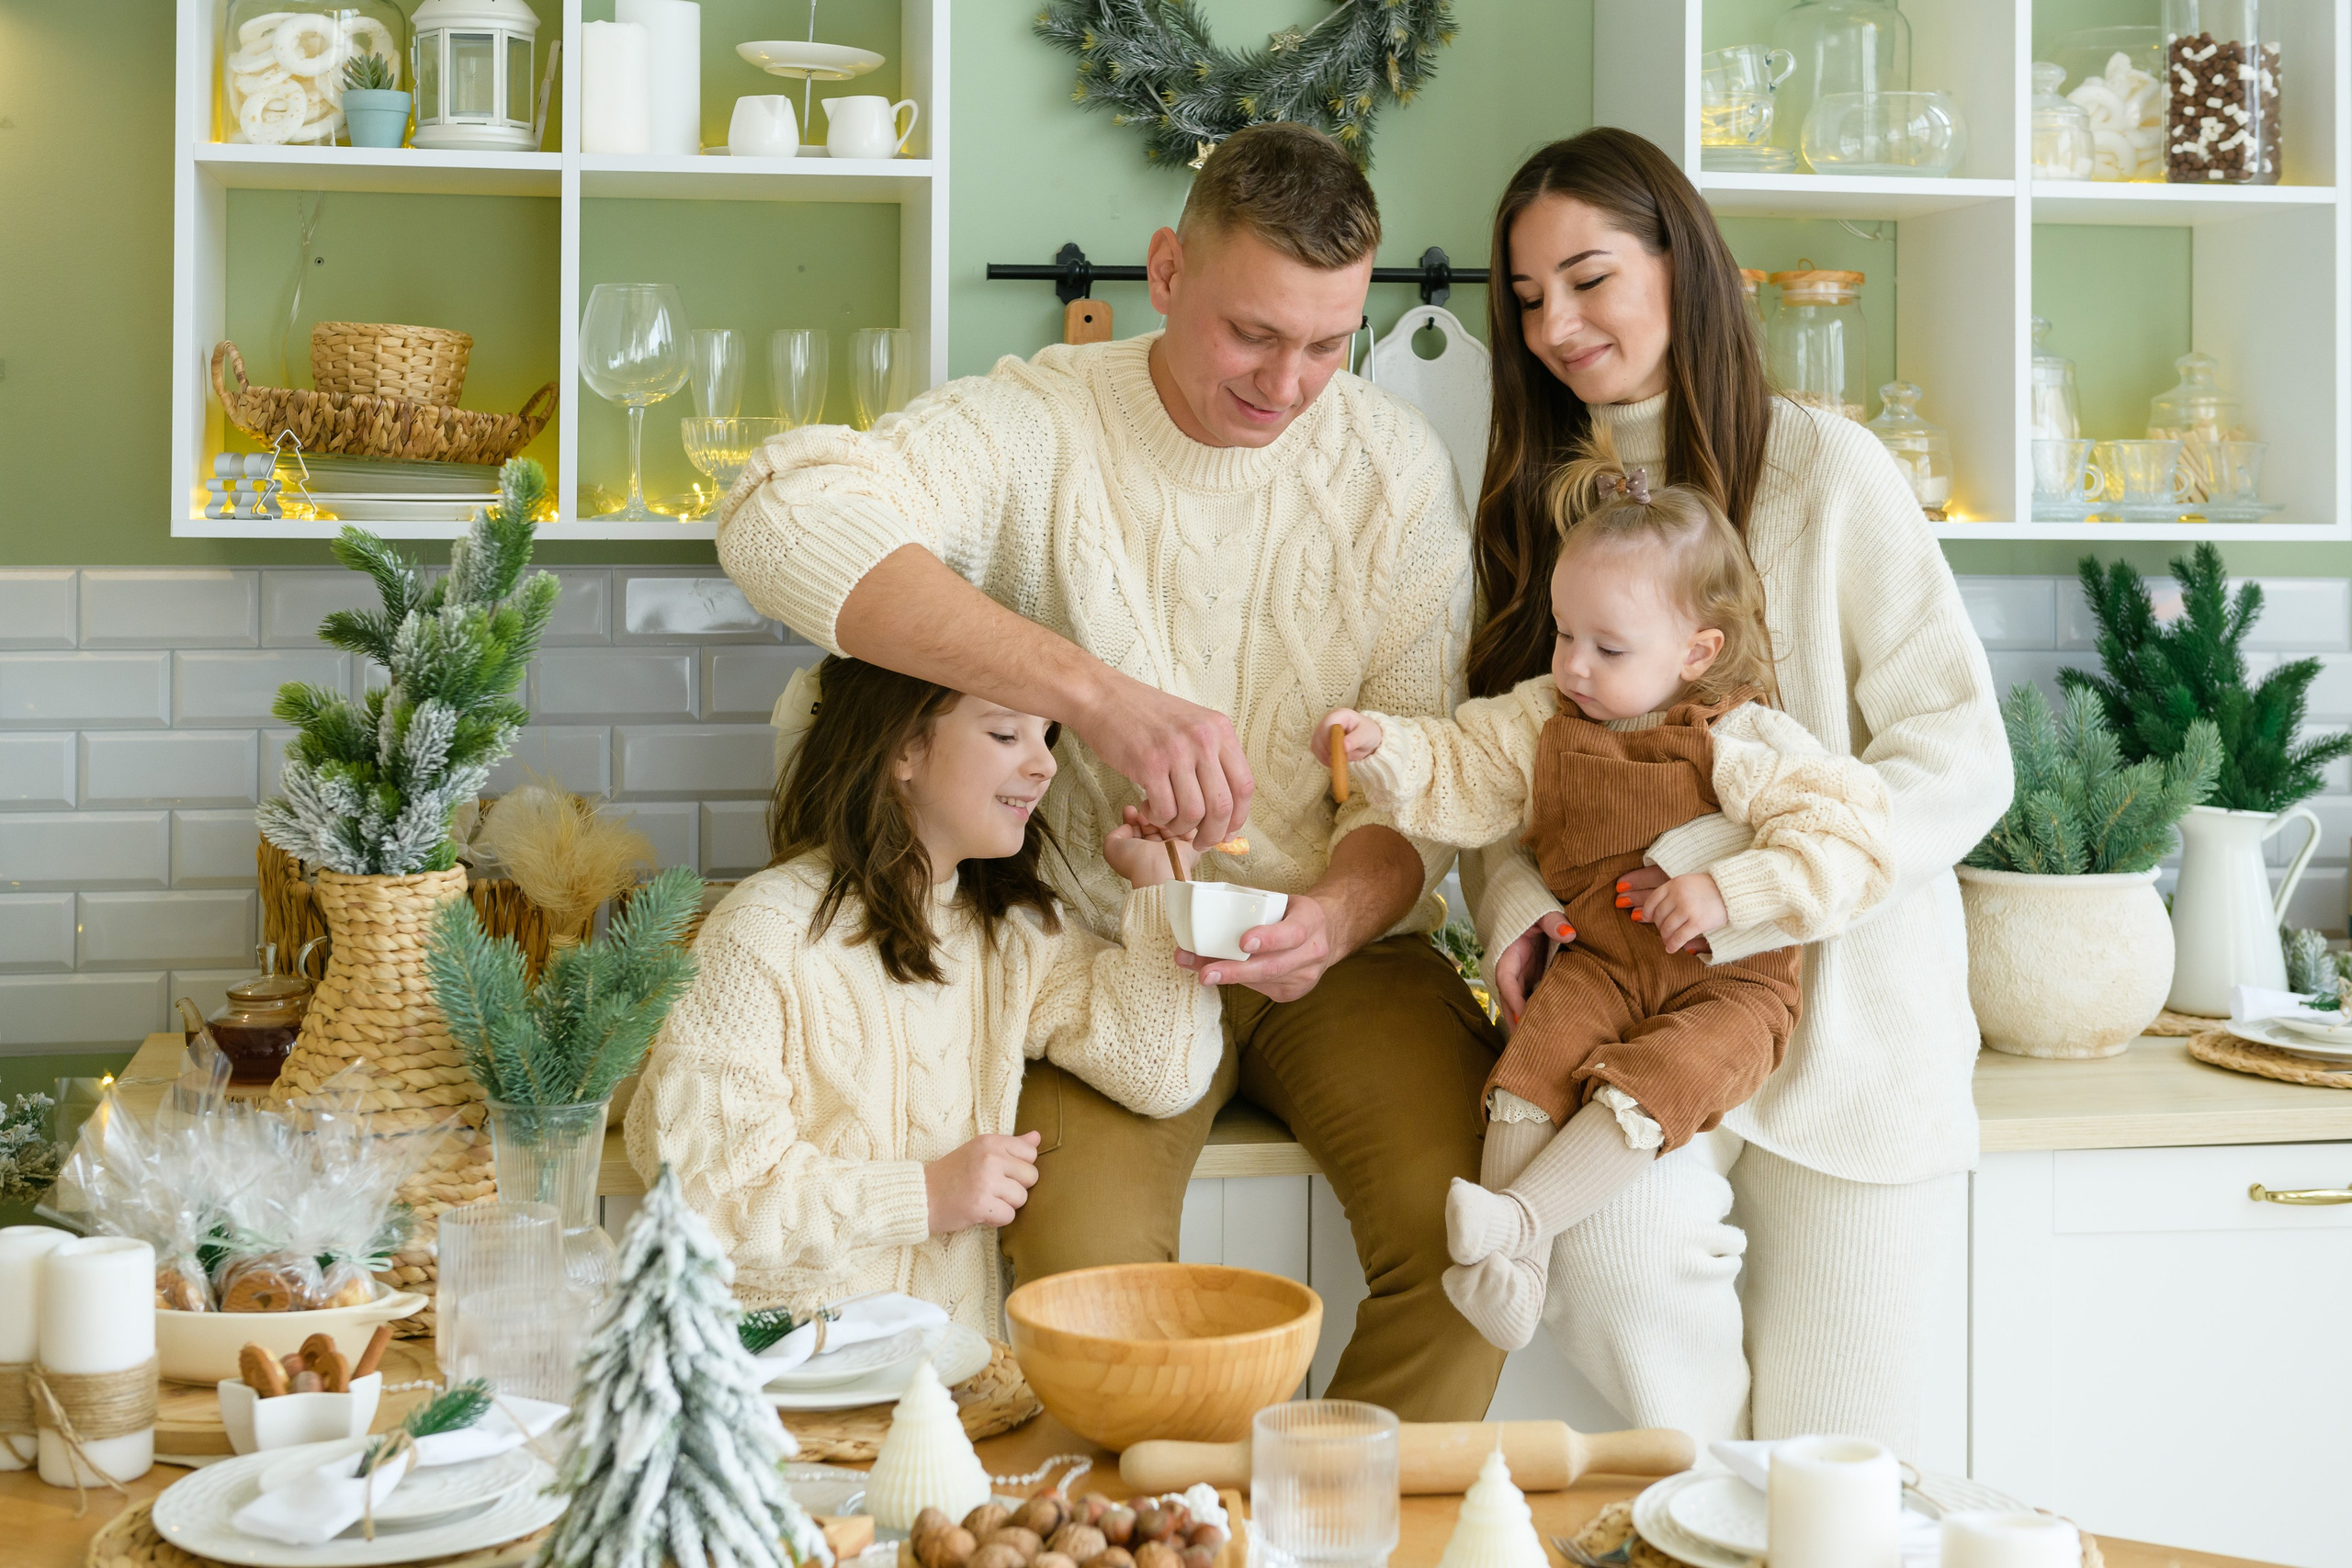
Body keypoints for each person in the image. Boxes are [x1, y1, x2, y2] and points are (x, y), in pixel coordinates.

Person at [714, 123, 1508, 1416]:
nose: (1290, 381)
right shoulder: (1038, 423)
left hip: (1346, 958)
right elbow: (779, 515)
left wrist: (1338, 915)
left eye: (1327, 343)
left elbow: (1418, 782)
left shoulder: (1392, 471)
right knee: (1081, 1292)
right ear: (1168, 273)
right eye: (1256, 333)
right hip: (1092, 953)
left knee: (1478, 1238)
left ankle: (1346, 1518)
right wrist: (1095, 694)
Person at [1458, 128, 2009, 1453]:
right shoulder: (1540, 506)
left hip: (1862, 1024)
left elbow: (1960, 746)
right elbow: (1498, 765)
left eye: (1589, 279)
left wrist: (1764, 886)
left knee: (1847, 1469)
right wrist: (1520, 907)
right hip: (1632, 1007)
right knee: (1608, 1264)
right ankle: (1736, 1505)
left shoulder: (1831, 469)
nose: (1557, 326)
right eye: (1529, 299)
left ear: (1682, 262)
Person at [1318, 435, 1893, 1352]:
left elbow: (1854, 838)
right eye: (1563, 633)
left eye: (1608, 646)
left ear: (1698, 649)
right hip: (1599, 960)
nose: (1574, 666)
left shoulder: (1745, 737)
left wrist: (1725, 887)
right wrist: (1384, 745)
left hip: (1725, 989)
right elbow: (1462, 765)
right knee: (1531, 1061)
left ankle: (1518, 1227)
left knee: (1661, 1079)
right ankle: (1513, 1275)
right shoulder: (1543, 718)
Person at [624, 657, 1223, 1334]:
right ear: (904, 747)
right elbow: (703, 1205)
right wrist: (925, 1195)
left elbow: (1160, 1071)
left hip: (956, 1396)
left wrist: (1158, 892)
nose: (1045, 765)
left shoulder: (1011, 933)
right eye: (1006, 735)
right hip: (792, 1393)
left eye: (1046, 735)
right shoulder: (763, 930)